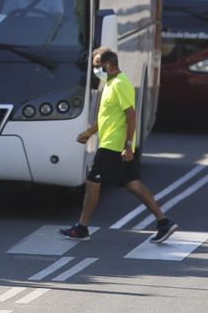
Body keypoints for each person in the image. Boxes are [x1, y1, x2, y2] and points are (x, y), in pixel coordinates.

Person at [61, 47, 178, 244]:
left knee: (92, 182)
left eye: (97, 66)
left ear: (107, 64)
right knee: (133, 184)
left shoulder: (119, 84)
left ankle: (82, 227)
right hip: (112, 143)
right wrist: (89, 132)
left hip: (113, 146)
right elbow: (108, 116)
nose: (95, 70)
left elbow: (131, 115)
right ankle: (164, 222)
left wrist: (128, 145)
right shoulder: (110, 83)